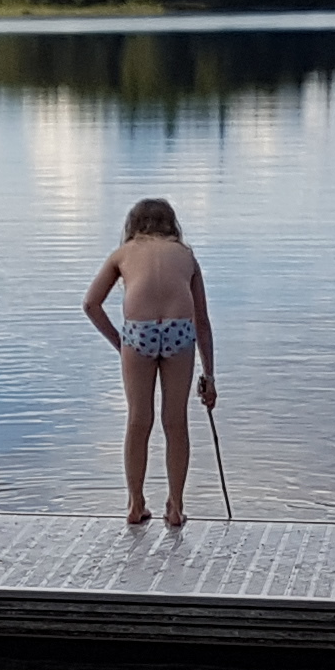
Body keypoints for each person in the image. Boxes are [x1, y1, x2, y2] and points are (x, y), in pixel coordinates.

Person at [80, 196, 220, 527]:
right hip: (179, 332)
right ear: (172, 225)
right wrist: (209, 375)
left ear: (133, 225)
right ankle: (175, 507)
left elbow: (90, 304)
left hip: (138, 334)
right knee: (176, 421)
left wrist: (121, 343)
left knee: (138, 420)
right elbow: (202, 321)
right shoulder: (186, 255)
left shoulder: (122, 254)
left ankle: (135, 503)